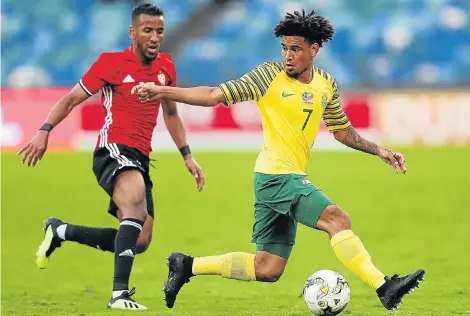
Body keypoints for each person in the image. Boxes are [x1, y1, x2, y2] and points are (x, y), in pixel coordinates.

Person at [133, 9, 425, 312]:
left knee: (267, 269)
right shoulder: (267, 76)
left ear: (314, 50)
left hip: (280, 179)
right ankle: (383, 286)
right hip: (277, 177)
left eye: (295, 49)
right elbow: (213, 94)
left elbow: (340, 131)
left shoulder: (326, 84)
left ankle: (187, 266)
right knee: (338, 220)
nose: (287, 55)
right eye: (284, 47)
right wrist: (161, 91)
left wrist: (378, 150)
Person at [17, 3, 204, 311]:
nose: (155, 37)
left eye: (159, 31)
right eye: (148, 30)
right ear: (133, 32)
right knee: (134, 200)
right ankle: (119, 295)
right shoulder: (112, 63)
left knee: (139, 240)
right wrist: (44, 130)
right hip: (112, 149)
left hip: (141, 157)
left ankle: (60, 231)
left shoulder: (166, 67)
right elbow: (71, 98)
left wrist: (187, 155)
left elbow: (171, 113)